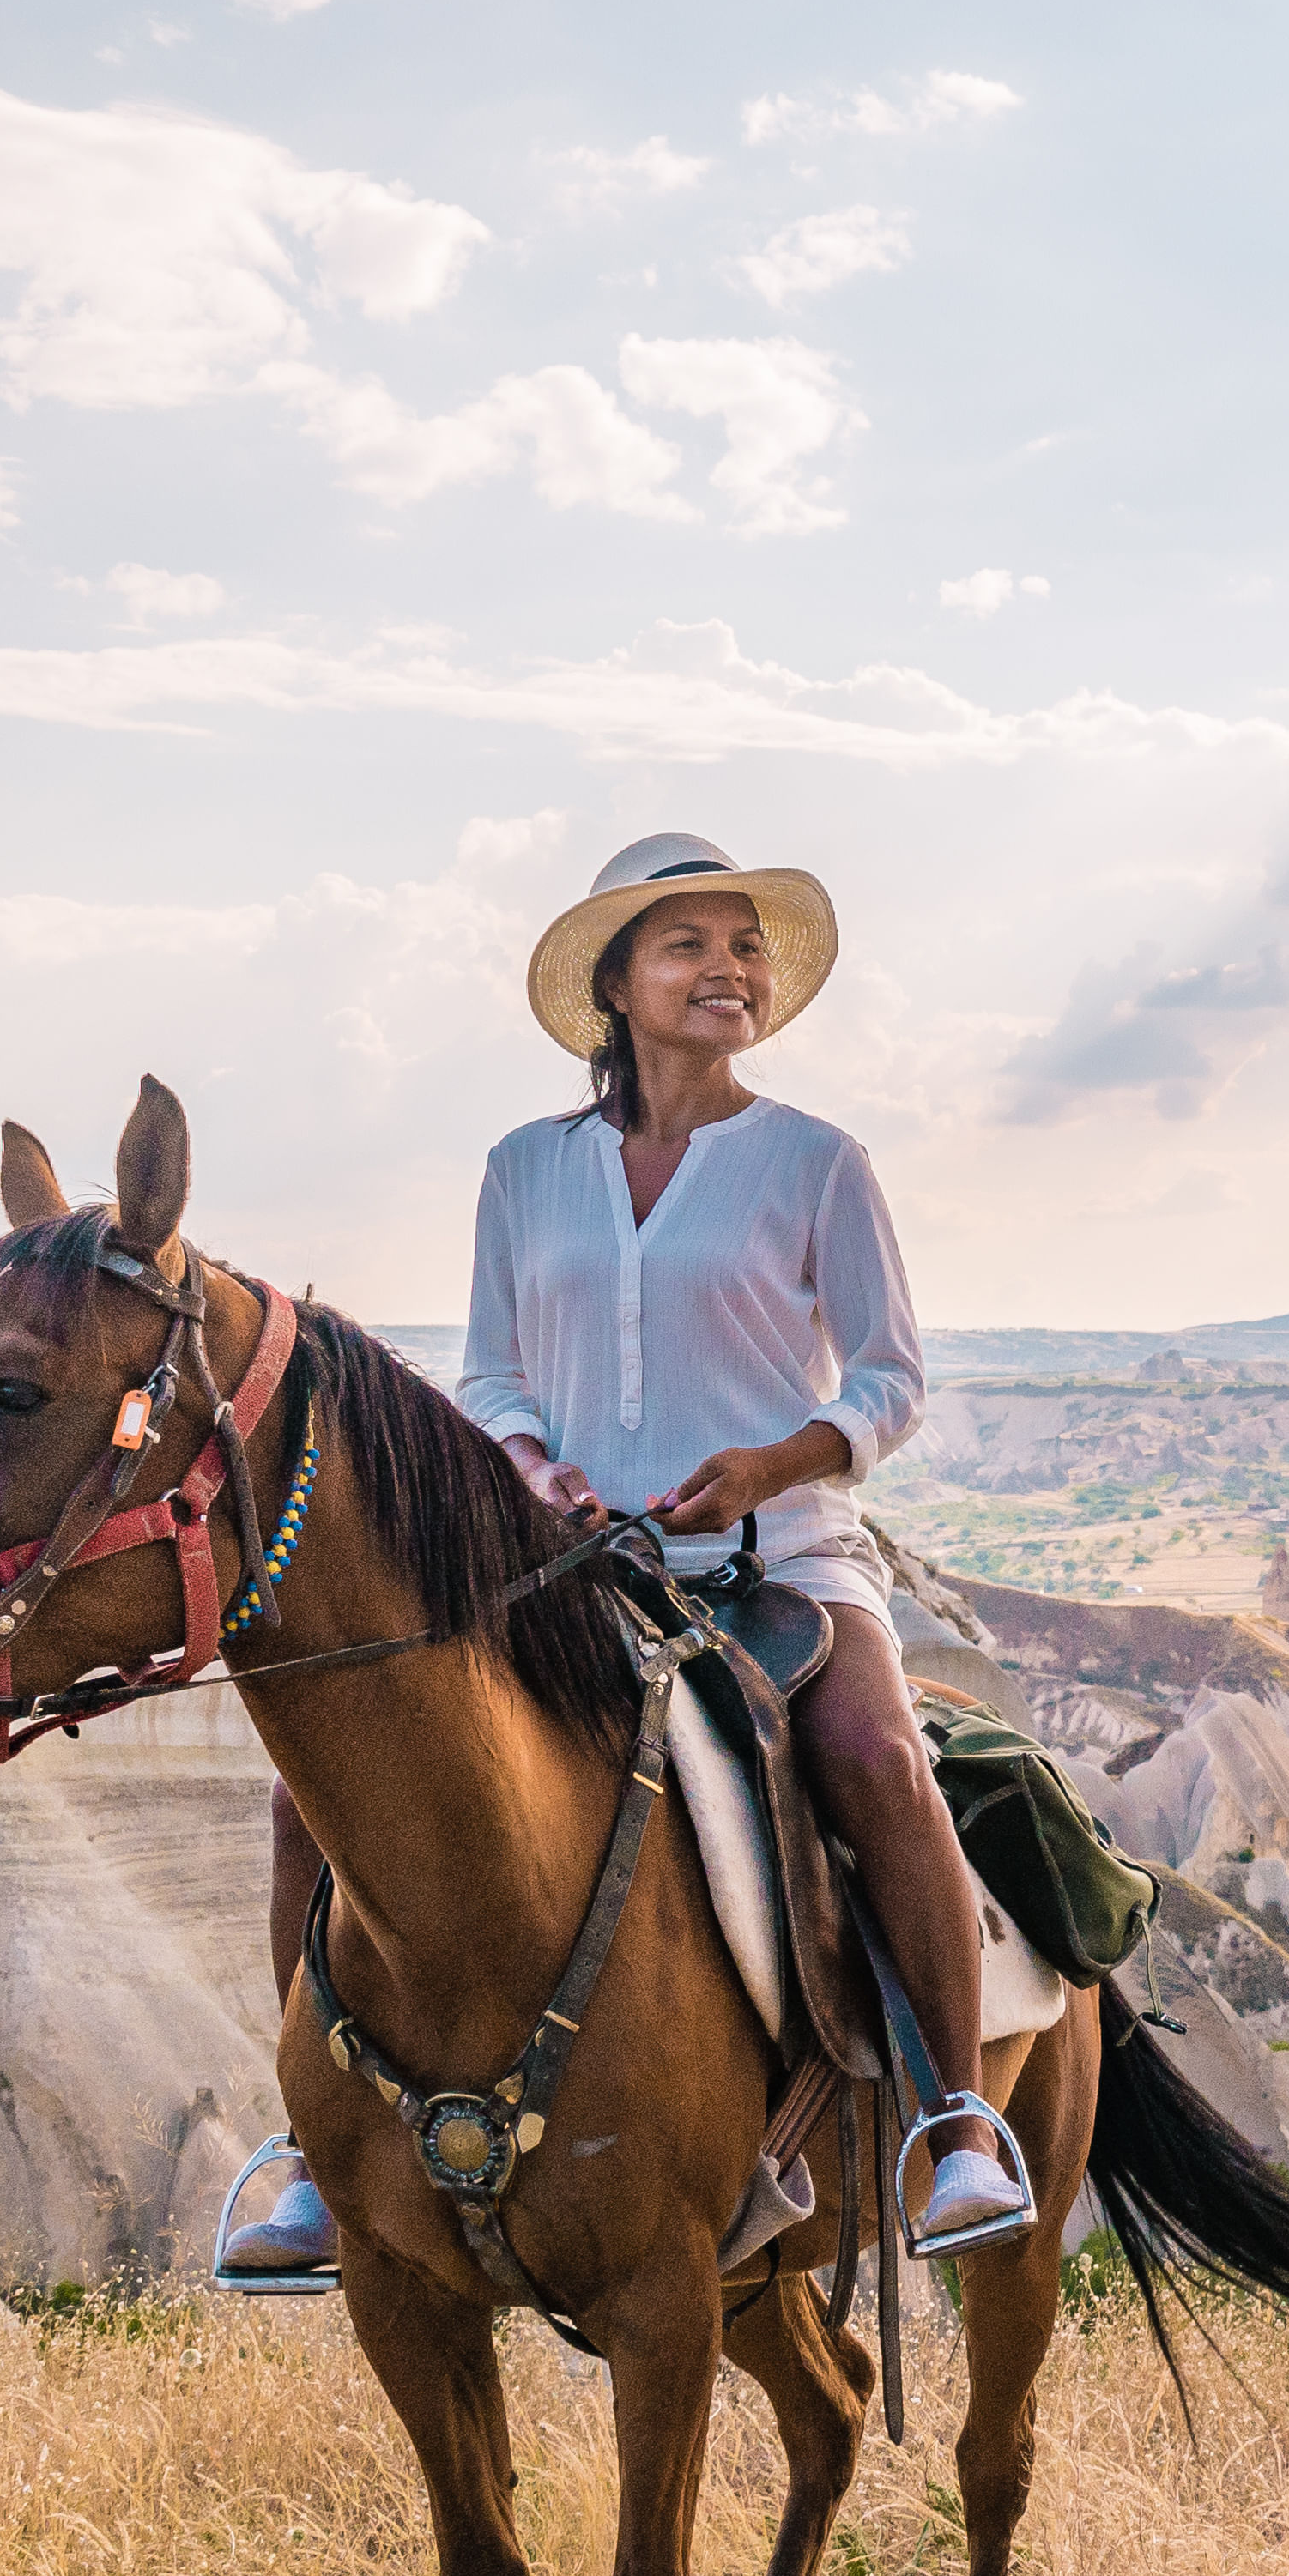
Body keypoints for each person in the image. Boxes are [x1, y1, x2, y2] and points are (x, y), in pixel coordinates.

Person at [216, 831, 1038, 2281]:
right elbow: (492, 1377)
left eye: (744, 947)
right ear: (615, 982)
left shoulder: (816, 1162)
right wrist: (533, 1474)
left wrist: (775, 1466)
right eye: (689, 945)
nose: (729, 969)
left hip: (784, 1558)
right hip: (568, 1572)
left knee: (875, 1759)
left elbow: (893, 1379)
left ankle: (957, 2122)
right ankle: (308, 2148)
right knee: (314, 1795)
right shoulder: (525, 1173)